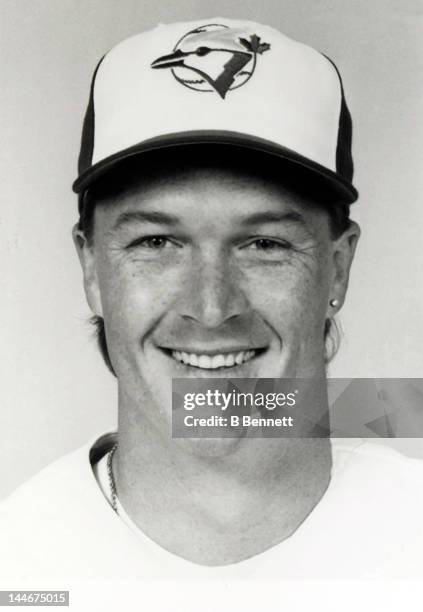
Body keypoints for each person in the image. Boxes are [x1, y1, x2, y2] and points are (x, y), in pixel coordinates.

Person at [1, 17, 423, 584]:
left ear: (338, 268)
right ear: (91, 268)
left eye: (265, 243)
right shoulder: (19, 564)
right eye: (156, 241)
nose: (212, 306)